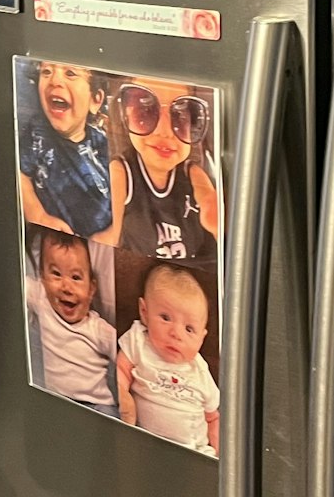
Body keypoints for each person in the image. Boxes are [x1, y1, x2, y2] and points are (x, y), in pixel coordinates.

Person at [105, 79, 219, 259]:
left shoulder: (193, 173)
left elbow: (211, 209)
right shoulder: (120, 173)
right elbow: (108, 239)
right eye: (146, 112)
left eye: (180, 117)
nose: (164, 131)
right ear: (125, 117)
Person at [117, 263, 220, 456]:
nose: (176, 333)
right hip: (143, 445)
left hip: (193, 452)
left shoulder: (199, 370)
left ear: (202, 338)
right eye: (165, 318)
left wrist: (218, 452)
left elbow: (213, 417)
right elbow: (120, 370)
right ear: (144, 312)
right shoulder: (139, 340)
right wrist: (123, 395)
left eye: (189, 329)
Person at [25, 230, 119, 414]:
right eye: (56, 274)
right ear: (43, 279)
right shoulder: (41, 300)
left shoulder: (98, 330)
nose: (66, 287)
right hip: (56, 400)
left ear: (91, 289)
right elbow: (11, 278)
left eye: (76, 277)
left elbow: (126, 356)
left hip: (98, 405)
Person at [19, 62, 113, 237]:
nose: (55, 80)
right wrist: (37, 214)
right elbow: (21, 174)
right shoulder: (37, 133)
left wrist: (112, 233)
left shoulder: (104, 143)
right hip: (57, 239)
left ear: (95, 100)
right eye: (46, 72)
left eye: (70, 73)